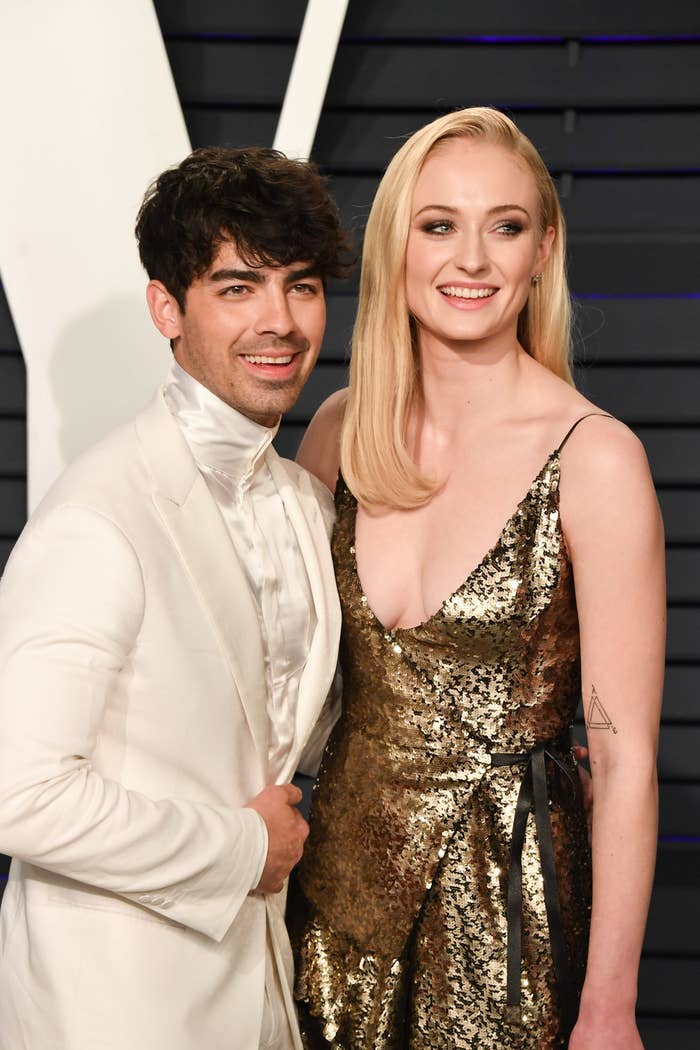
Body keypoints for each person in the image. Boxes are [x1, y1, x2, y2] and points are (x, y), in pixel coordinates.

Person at [290, 108, 665, 1049]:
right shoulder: (340, 432)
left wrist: (610, 1010)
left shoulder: (594, 457)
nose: (473, 260)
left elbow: (623, 763)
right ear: (396, 246)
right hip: (324, 913)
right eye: (439, 224)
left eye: (505, 226)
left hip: (508, 931)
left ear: (543, 250)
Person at [0, 147, 352, 1050]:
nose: (279, 322)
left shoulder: (309, 505)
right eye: (238, 287)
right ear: (168, 307)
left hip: (267, 992)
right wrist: (241, 850)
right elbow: (18, 793)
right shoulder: (99, 514)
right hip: (113, 1009)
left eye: (300, 286)